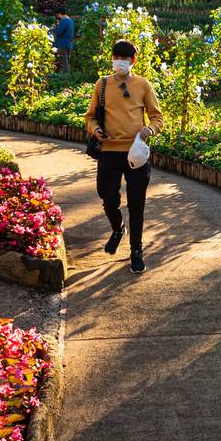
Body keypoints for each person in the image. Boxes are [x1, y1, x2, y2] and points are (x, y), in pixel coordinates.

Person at [85, 40, 164, 274]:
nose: (119, 62)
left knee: (137, 204)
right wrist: (95, 130)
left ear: (133, 61)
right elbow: (90, 116)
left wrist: (149, 130)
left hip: (136, 154)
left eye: (124, 59)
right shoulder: (103, 84)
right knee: (108, 198)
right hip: (108, 152)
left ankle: (136, 251)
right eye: (115, 57)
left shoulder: (143, 86)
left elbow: (156, 117)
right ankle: (118, 228)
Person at [50, 8, 74, 73]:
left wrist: (53, 29)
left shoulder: (63, 20)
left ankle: (65, 79)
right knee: (66, 62)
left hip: (62, 44)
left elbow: (58, 32)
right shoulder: (70, 20)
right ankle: (67, 78)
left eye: (57, 15)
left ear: (59, 13)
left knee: (63, 63)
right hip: (68, 44)